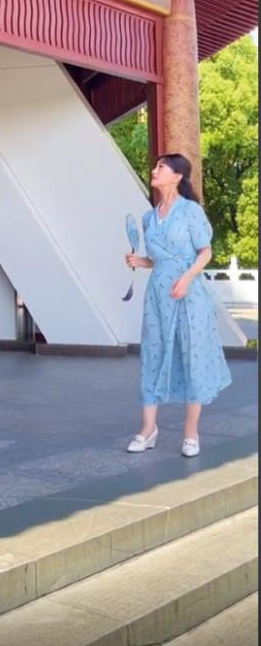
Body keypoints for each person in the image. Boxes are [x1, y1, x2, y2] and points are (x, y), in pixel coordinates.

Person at [125, 153, 232, 457]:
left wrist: (186, 279)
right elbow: (157, 260)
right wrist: (139, 261)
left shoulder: (190, 211)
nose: (153, 170)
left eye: (161, 167)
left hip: (188, 295)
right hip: (158, 296)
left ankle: (190, 433)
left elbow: (205, 252)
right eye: (156, 165)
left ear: (177, 176)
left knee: (191, 356)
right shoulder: (148, 218)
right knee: (152, 355)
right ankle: (148, 430)